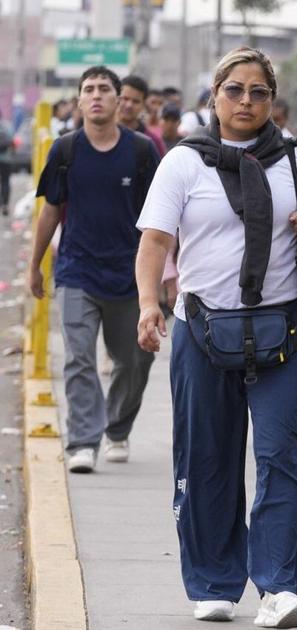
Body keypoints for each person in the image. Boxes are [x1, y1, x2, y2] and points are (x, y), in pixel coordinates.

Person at [134, 46, 297, 627]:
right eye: (234, 90)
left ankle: (280, 588)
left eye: (258, 92)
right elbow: (154, 241)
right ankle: (214, 582)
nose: (246, 102)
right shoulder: (183, 163)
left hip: (285, 334)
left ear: (272, 100)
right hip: (202, 331)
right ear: (214, 96)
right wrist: (149, 304)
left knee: (282, 453)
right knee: (207, 458)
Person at [27, 66, 161, 473]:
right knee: (79, 357)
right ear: (80, 100)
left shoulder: (140, 152)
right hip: (75, 272)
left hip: (128, 274)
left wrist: (166, 274)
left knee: (133, 361)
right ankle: (83, 441)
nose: (97, 95)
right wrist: (35, 265)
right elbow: (50, 209)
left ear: (120, 100)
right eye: (89, 89)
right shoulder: (65, 150)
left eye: (105, 88)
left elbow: (161, 216)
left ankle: (116, 430)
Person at [118, 75, 168, 156]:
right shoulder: (102, 134)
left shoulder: (152, 142)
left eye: (136, 101)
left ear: (144, 105)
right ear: (116, 98)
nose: (129, 105)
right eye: (125, 98)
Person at [0, 106, 11, 216]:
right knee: (5, 182)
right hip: (6, 159)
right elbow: (12, 141)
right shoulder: (7, 126)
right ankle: (5, 204)